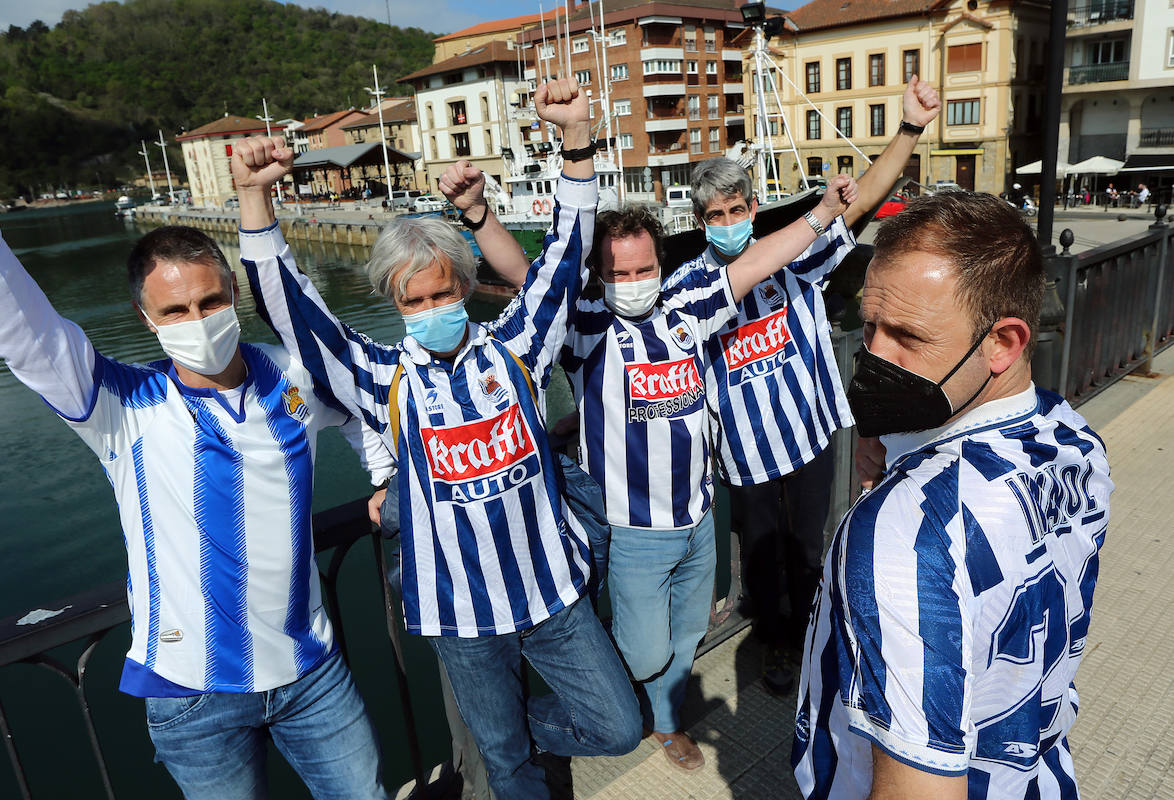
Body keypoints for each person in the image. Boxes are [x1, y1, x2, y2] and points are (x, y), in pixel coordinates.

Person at [0, 89, 392, 800]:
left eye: (212, 302)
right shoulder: (121, 405)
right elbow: (18, 328)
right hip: (193, 698)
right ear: (145, 318)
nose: (198, 320)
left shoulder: (292, 374)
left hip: (313, 674)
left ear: (234, 300)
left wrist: (384, 473)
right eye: (175, 310)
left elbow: (363, 405)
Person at [232, 79, 641, 800]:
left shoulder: (516, 349)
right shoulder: (382, 377)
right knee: (508, 768)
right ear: (395, 304)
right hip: (460, 615)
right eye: (413, 300)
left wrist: (576, 138)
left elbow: (566, 256)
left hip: (553, 596)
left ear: (466, 285)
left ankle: (511, 723)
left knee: (617, 727)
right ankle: (503, 738)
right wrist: (256, 204)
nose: (430, 309)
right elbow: (296, 315)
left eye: (442, 293)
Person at [443, 158, 860, 769]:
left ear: (660, 266)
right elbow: (524, 273)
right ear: (599, 277)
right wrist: (478, 214)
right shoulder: (585, 325)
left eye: (644, 268)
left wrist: (823, 214)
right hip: (635, 532)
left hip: (697, 520)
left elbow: (758, 261)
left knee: (688, 638)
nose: (634, 280)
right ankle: (557, 712)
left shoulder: (688, 305)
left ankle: (664, 722)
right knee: (641, 653)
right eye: (619, 272)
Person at [792, 191, 1112, 798]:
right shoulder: (1074, 440)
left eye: (907, 336)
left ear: (1004, 342)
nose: (871, 356)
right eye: (868, 325)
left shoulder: (907, 529)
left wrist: (896, 497)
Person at [675, 76, 942, 694]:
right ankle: (775, 642)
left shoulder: (790, 255)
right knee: (763, 558)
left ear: (751, 207)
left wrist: (909, 128)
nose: (727, 222)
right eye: (714, 215)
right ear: (701, 221)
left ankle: (817, 634)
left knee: (809, 544)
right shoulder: (689, 285)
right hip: (744, 452)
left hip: (809, 432)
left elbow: (864, 201)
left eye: (737, 210)